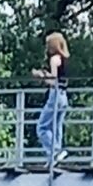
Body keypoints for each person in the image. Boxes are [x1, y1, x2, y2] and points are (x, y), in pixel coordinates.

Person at [36, 32, 70, 162]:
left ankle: (55, 152)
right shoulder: (64, 58)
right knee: (57, 126)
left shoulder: (54, 59)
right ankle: (56, 156)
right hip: (64, 95)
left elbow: (53, 81)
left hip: (55, 95)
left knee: (42, 127)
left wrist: (41, 76)